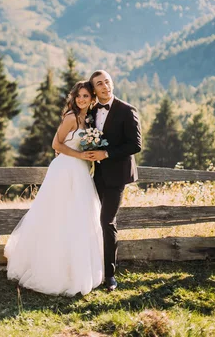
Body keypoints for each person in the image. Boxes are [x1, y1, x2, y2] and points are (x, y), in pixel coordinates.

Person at [4, 81, 104, 296]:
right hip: (65, 169)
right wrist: (80, 155)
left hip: (80, 172)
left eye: (85, 96)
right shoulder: (70, 117)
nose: (81, 99)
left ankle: (74, 269)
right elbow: (56, 145)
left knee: (78, 216)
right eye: (78, 96)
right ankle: (50, 270)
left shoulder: (87, 120)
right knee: (57, 215)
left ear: (92, 99)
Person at [88, 70, 142, 291]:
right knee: (90, 221)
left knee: (107, 222)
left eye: (107, 82)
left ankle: (110, 275)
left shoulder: (127, 111)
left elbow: (135, 145)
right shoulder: (90, 111)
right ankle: (92, 269)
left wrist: (106, 154)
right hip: (94, 176)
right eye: (100, 84)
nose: (105, 86)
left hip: (117, 176)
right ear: (94, 89)